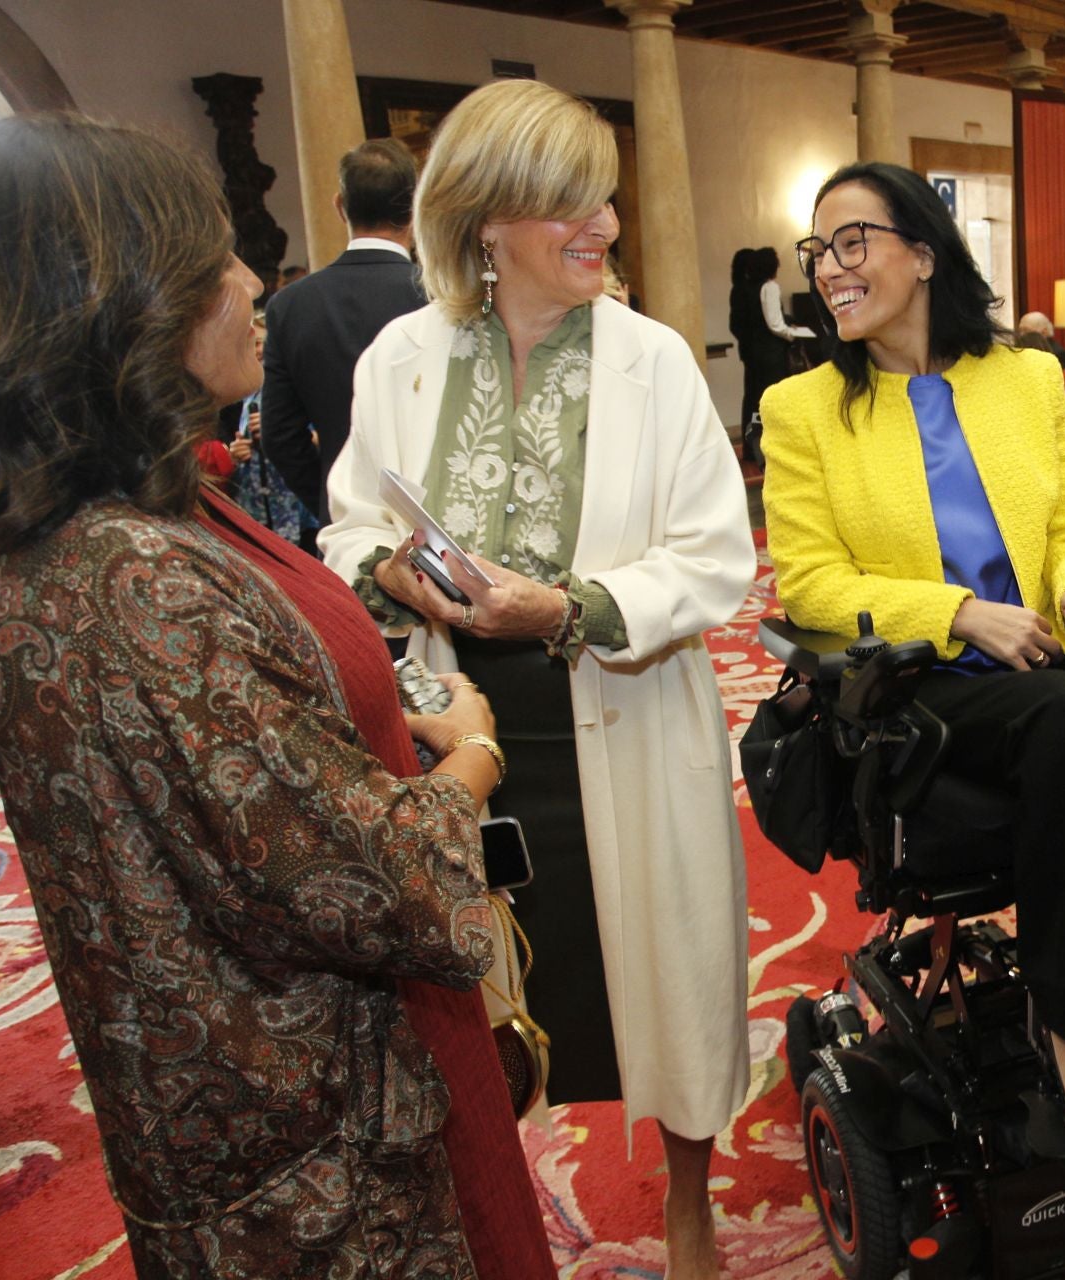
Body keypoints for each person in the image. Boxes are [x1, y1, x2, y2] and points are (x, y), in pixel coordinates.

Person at [0, 113, 518, 1277]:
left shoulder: (74, 532)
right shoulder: (134, 577)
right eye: (212, 260)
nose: (249, 283)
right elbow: (395, 882)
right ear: (122, 307)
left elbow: (218, 775)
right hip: (312, 1140)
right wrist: (471, 752)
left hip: (228, 1107)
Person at [320, 78, 755, 1280]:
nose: (604, 225)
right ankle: (498, 1208)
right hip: (464, 729)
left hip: (619, 704)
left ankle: (686, 1198)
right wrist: (398, 574)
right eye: (570, 201)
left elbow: (715, 557)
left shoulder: (654, 361)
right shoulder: (402, 358)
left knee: (665, 985)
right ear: (485, 219)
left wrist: (560, 606)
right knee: (484, 984)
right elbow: (347, 525)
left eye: (605, 198)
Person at [761, 161, 1065, 1151]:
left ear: (922, 253)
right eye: (817, 252)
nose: (829, 269)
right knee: (1060, 709)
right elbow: (811, 587)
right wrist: (961, 612)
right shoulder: (804, 411)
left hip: (1042, 656)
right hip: (920, 693)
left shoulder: (1021, 379)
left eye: (853, 242)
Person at [262, 138, 427, 549]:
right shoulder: (441, 295)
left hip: (342, 524)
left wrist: (328, 496)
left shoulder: (289, 305)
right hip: (437, 518)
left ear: (340, 206)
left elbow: (280, 435)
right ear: (415, 208)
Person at [219, 312, 318, 545]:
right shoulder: (242, 392)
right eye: (251, 344)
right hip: (254, 506)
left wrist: (276, 432)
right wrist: (235, 452)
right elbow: (230, 437)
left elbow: (325, 436)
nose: (258, 350)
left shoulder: (300, 385)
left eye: (263, 343)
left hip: (295, 507)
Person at [729, 246, 813, 468]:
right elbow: (775, 323)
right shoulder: (770, 287)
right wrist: (793, 335)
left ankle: (753, 449)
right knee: (775, 401)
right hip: (771, 355)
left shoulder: (743, 289)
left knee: (754, 402)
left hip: (753, 355)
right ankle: (775, 450)